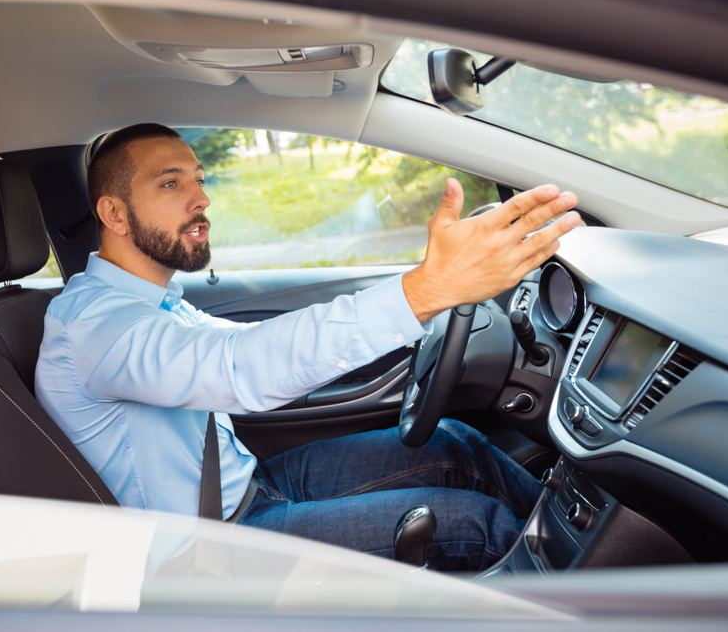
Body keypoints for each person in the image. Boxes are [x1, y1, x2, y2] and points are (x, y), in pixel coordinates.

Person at [35, 123, 581, 571]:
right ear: (113, 214)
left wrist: (421, 293)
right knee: (478, 526)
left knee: (453, 445)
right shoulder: (96, 325)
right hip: (207, 549)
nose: (202, 199)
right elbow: (236, 369)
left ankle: (591, 546)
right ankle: (598, 592)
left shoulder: (153, 302)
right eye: (170, 184)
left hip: (247, 490)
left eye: (198, 180)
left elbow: (251, 343)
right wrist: (426, 290)